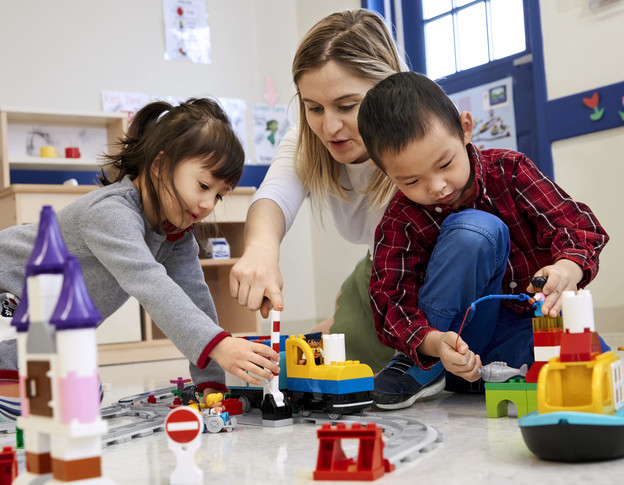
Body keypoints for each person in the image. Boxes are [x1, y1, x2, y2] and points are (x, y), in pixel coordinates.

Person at [0, 98, 280, 419]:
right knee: (55, 394)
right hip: (9, 297)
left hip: (42, 321)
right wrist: (219, 345)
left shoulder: (175, 232)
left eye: (218, 194)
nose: (207, 204)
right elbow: (150, 284)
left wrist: (210, 383)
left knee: (80, 395)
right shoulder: (110, 212)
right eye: (203, 185)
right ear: (160, 165)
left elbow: (194, 298)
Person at [357, 71, 610, 410]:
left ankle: (492, 378)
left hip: (516, 334)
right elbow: (390, 298)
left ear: (465, 129)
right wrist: (431, 343)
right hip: (445, 346)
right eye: (411, 180)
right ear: (383, 170)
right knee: (476, 230)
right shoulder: (402, 217)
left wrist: (568, 267)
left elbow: (578, 225)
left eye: (445, 163)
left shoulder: (510, 170)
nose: (437, 187)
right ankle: (423, 370)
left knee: (594, 364)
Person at [229, 9, 405, 372]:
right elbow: (275, 196)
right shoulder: (307, 141)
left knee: (351, 337)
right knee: (321, 340)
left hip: (429, 270)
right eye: (314, 108)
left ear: (387, 89)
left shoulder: (419, 133)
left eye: (347, 106)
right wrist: (262, 250)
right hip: (385, 264)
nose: (330, 126)